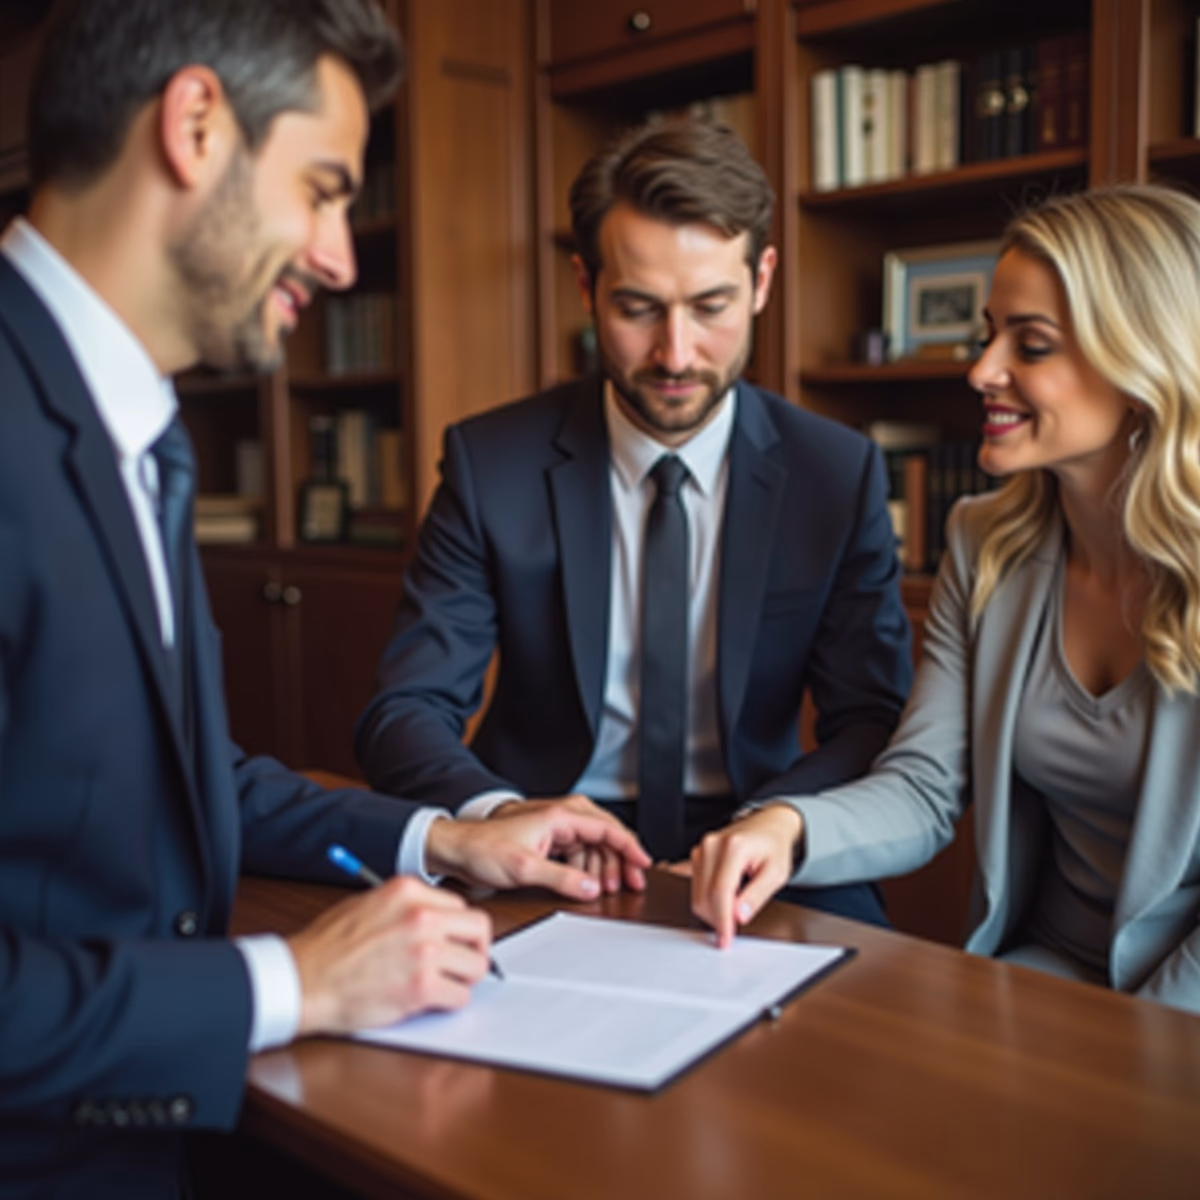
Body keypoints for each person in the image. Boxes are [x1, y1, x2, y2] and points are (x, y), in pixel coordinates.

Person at [0, 2, 651, 1195]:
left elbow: (187, 775)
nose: (342, 257)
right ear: (196, 126)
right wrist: (291, 984)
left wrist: (446, 839)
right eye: (322, 189)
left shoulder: (137, 430)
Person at [356, 118, 912, 922]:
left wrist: (776, 822)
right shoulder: (490, 464)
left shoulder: (838, 473)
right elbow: (404, 710)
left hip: (758, 824)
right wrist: (499, 813)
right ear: (586, 286)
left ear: (762, 280)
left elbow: (872, 717)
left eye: (711, 307)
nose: (676, 354)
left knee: (867, 985)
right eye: (637, 308)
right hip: (544, 829)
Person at [691, 183, 1200, 1016]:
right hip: (1041, 974)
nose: (981, 371)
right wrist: (787, 827)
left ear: (1143, 365)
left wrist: (1134, 1042)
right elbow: (925, 786)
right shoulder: (984, 542)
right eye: (988, 334)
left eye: (1031, 345)